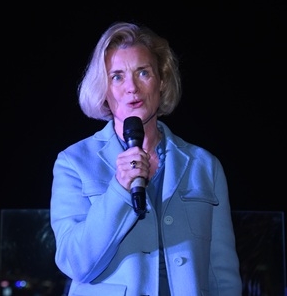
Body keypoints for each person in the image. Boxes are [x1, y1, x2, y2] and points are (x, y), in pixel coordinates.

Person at [50, 21, 243, 296]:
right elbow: (76, 263)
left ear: (162, 81)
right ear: (103, 88)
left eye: (143, 72)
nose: (132, 87)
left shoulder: (205, 166)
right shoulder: (74, 163)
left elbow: (222, 273)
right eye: (117, 76)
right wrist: (119, 189)